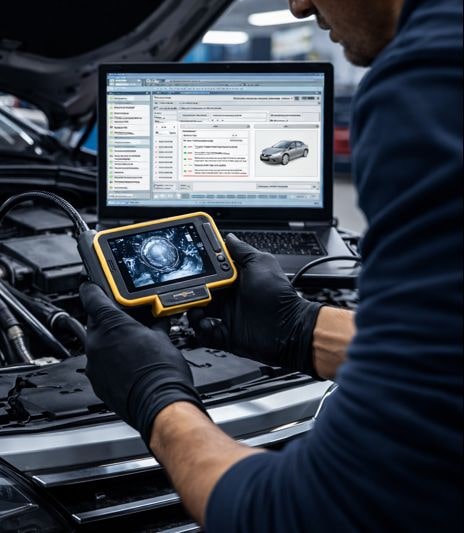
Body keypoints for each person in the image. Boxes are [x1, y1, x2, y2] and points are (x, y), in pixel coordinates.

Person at [79, 0, 463, 530]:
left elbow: (314, 511)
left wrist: (157, 402)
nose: (299, 4)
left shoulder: (433, 81)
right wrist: (303, 330)